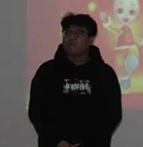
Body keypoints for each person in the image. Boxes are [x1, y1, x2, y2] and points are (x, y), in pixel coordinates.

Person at [29, 13, 122, 147]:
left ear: (91, 39)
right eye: (67, 33)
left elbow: (112, 115)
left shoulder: (104, 74)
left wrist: (88, 143)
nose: (71, 37)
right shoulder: (47, 71)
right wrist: (56, 140)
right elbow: (37, 111)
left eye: (79, 33)